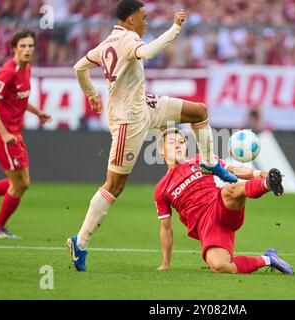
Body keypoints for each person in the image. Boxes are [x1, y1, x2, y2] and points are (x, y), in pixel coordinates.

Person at [67, 0, 237, 272]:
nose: (146, 22)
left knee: (199, 111)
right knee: (114, 186)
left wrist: (91, 94)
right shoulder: (128, 40)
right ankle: (81, 241)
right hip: (128, 121)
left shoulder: (107, 43)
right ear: (130, 19)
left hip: (146, 106)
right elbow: (147, 53)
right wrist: (174, 29)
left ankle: (208, 162)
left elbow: (79, 67)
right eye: (143, 17)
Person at [155, 128, 294, 275]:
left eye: (181, 142)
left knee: (230, 190)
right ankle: (268, 259)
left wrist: (259, 174)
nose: (178, 145)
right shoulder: (162, 188)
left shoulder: (201, 159)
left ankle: (267, 184)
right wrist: (165, 263)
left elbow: (233, 170)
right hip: (206, 227)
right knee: (219, 266)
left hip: (218, 206)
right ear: (161, 151)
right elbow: (166, 229)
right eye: (171, 142)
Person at [0, 28, 52, 239]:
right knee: (21, 184)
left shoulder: (27, 68)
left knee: (19, 183)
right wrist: (4, 133)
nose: (27, 50)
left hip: (14, 134)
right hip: (4, 135)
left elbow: (21, 98)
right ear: (14, 49)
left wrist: (38, 113)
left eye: (30, 46)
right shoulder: (8, 71)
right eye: (23, 46)